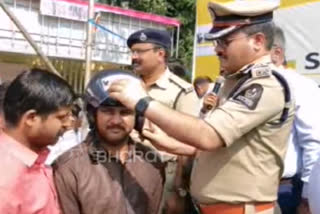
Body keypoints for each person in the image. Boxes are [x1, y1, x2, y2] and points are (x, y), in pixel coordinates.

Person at [109, 1, 295, 214]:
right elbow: (216, 149)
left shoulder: (265, 84)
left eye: (225, 41)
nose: (217, 49)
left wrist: (142, 102)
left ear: (258, 41)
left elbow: (209, 136)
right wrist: (169, 143)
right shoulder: (235, 81)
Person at [53, 70, 164, 214]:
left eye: (125, 112)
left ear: (138, 118)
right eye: (108, 111)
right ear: (93, 115)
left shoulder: (152, 162)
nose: (116, 120)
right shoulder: (68, 168)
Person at [127, 28, 199, 213]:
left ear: (160, 54)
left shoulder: (182, 91)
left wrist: (179, 191)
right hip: (126, 169)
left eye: (140, 52)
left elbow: (190, 144)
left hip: (165, 173)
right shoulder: (127, 85)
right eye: (132, 52)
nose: (134, 57)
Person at [0, 68, 75, 213]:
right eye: (61, 117)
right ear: (31, 118)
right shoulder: (6, 178)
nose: (67, 124)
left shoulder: (34, 163)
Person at [271, 26, 320, 214]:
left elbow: (314, 143)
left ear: (277, 53)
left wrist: (308, 197)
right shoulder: (249, 86)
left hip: (285, 192)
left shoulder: (299, 86)